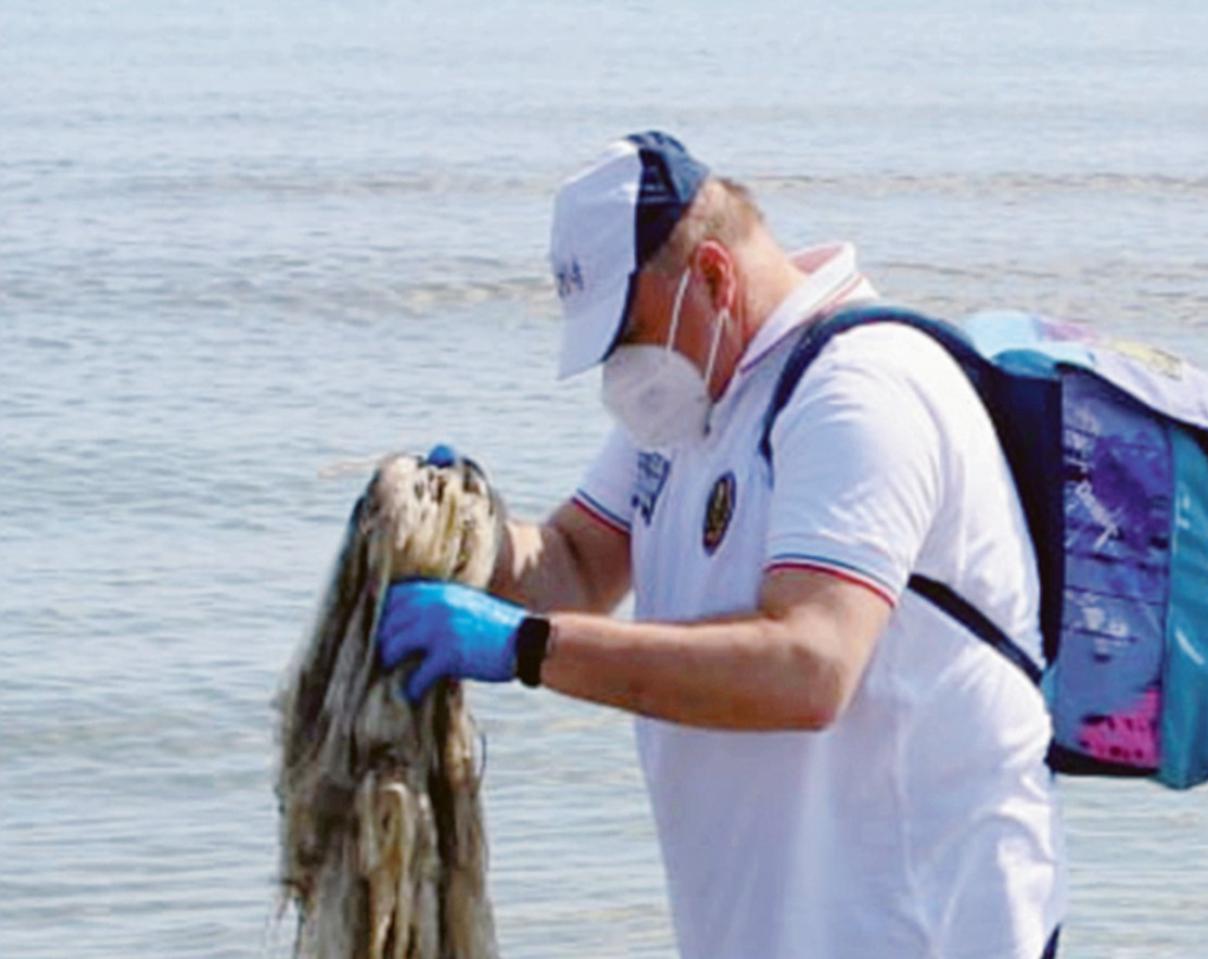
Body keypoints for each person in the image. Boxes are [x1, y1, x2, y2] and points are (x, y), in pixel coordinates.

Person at [377, 131, 1060, 959]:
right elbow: (576, 564)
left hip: (918, 932)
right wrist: (459, 534)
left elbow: (809, 667)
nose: (620, 371)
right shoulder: (689, 402)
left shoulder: (857, 391)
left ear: (711, 275)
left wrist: (525, 647)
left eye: (627, 335)